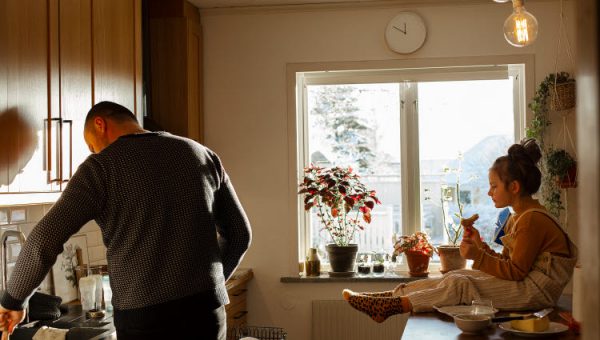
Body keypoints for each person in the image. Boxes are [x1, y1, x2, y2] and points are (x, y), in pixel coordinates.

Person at [0, 101, 252, 339]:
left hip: (145, 320)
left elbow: (44, 239)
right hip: (207, 313)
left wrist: (13, 301)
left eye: (91, 145)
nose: (94, 151)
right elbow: (240, 234)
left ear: (100, 124)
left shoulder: (101, 167)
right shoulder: (202, 154)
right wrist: (212, 285)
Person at [342, 138, 577, 323]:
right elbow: (508, 266)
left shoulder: (532, 220)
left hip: (536, 294)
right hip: (527, 284)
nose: (489, 192)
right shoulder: (519, 218)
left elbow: (514, 272)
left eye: (494, 186)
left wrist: (479, 256)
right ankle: (390, 297)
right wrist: (481, 247)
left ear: (514, 187)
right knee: (454, 276)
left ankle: (392, 307)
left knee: (460, 285)